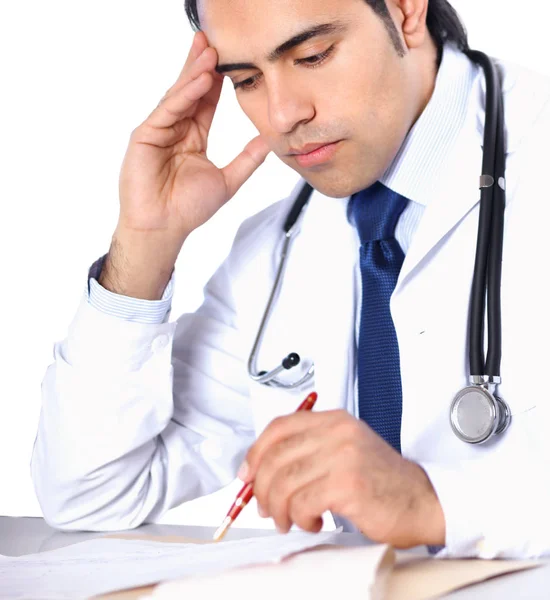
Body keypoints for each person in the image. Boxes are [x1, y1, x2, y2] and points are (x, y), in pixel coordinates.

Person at [31, 0, 550, 559]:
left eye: (312, 55)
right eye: (246, 80)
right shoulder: (275, 251)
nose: (282, 115)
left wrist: (434, 504)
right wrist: (144, 242)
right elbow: (89, 492)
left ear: (404, 10)